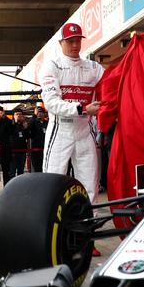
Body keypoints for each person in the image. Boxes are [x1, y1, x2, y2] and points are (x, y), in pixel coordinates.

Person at [38, 23, 106, 202]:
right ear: (61, 43)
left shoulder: (94, 67)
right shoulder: (52, 66)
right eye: (70, 41)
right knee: (52, 181)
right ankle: (51, 221)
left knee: (90, 184)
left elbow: (110, 88)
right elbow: (51, 102)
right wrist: (82, 109)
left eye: (78, 41)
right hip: (60, 132)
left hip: (85, 132)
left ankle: (89, 222)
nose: (75, 45)